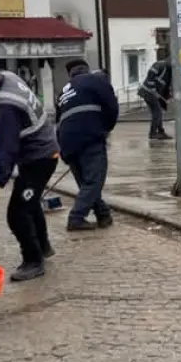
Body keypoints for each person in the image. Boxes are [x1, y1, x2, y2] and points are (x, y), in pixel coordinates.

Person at [0, 51, 58, 282]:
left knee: (17, 213)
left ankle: (33, 261)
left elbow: (6, 149)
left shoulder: (6, 104)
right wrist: (0, 130)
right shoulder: (8, 77)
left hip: (40, 158)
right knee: (29, 202)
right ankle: (43, 247)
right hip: (40, 151)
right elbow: (11, 128)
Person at [55, 57, 119, 231]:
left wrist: (62, 149)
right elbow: (111, 106)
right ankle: (76, 217)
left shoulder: (63, 92)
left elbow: (58, 121)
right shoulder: (96, 80)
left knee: (86, 183)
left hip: (66, 142)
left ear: (71, 74)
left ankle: (103, 214)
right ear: (86, 69)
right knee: (94, 181)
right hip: (89, 136)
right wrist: (105, 128)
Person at [137, 58, 173, 140]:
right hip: (148, 92)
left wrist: (168, 96)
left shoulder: (170, 72)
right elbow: (151, 74)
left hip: (154, 94)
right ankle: (153, 133)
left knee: (158, 112)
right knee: (157, 112)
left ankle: (160, 132)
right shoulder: (161, 65)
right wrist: (152, 88)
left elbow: (165, 87)